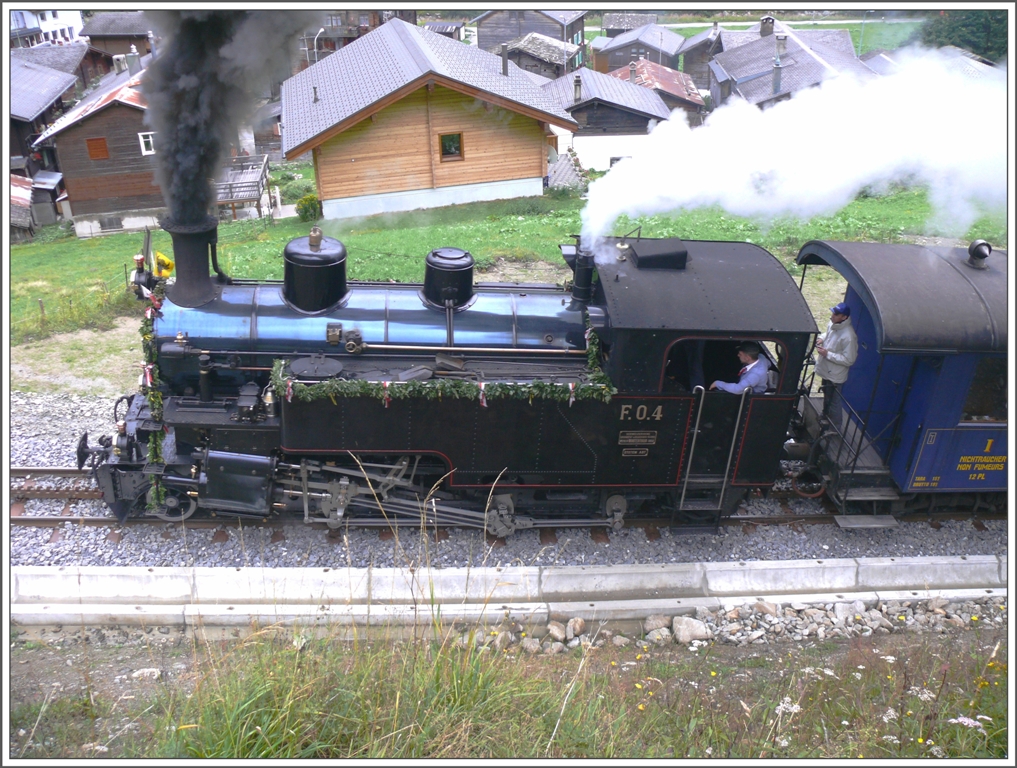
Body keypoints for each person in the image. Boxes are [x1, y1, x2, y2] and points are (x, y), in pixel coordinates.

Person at [815, 302, 858, 429]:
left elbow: (849, 360)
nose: (832, 316)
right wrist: (822, 338)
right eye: (833, 312)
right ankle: (825, 417)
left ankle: (835, 428)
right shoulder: (833, 324)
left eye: (836, 314)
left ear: (844, 317)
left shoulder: (849, 336)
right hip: (826, 370)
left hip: (835, 375)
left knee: (834, 402)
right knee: (826, 396)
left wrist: (827, 354)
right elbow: (828, 334)